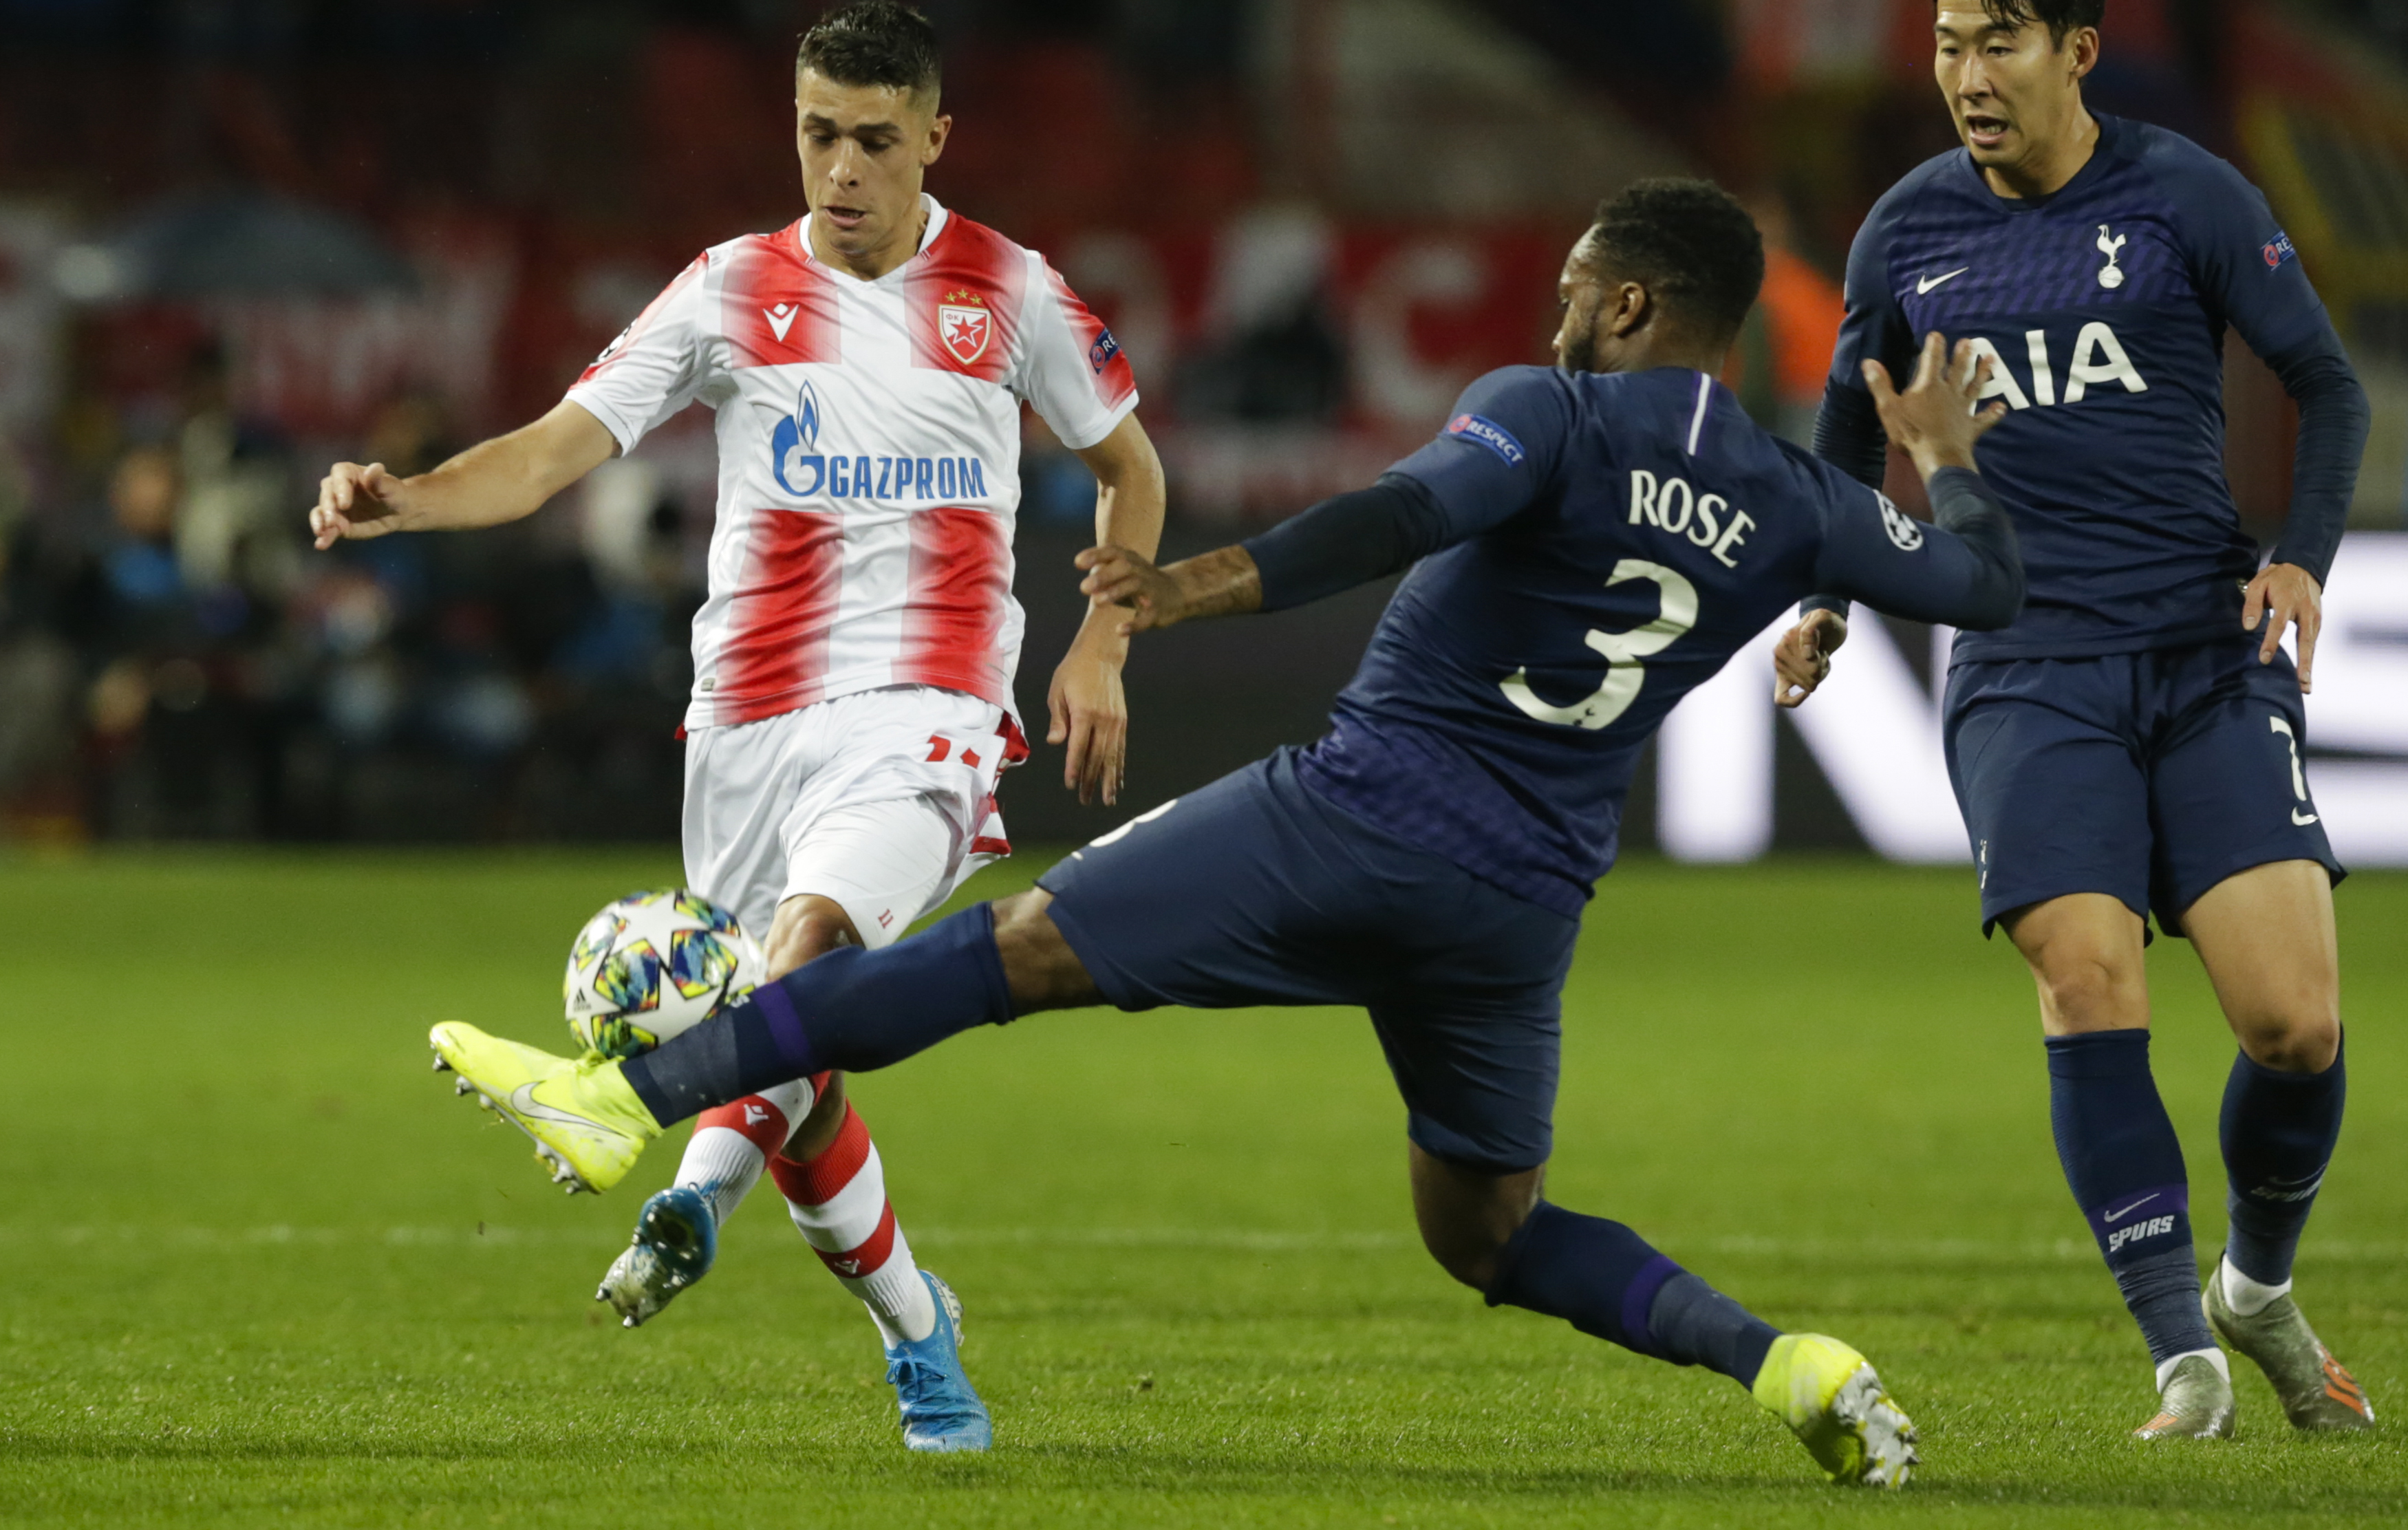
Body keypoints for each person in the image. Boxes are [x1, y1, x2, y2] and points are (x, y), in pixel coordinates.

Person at [427, 179, 2024, 1487]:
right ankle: (1781, 1362)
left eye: (1570, 291)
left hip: (1359, 810)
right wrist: (1945, 464)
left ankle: (621, 1092)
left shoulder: (1550, 411)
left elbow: (1400, 516)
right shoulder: (1795, 503)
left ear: (1627, 307)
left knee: (1009, 947)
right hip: (1520, 902)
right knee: (1489, 1230)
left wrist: (1193, 586)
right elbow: (1981, 584)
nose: (1551, 319)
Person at [312, 0, 1165, 1453]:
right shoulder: (724, 290)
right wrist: (408, 495)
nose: (839, 167)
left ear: (934, 142)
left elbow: (1130, 473)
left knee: (809, 957)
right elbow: (549, 455)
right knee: (786, 1038)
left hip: (928, 711)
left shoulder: (1009, 293)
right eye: (816, 131)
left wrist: (1100, 641)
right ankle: (917, 1329)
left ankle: (655, 1149)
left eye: (873, 141)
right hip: (747, 727)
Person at [1772, 0, 2372, 1442]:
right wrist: (1831, 595)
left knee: (2293, 1028)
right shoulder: (1905, 228)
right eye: (1947, 43)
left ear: (2077, 50)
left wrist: (2299, 548)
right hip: (2023, 669)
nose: (1966, 72)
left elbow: (2323, 379)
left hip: (2200, 652)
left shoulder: (2184, 196)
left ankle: (2254, 1281)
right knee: (2083, 973)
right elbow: (1850, 424)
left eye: (1999, 42)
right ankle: (2183, 1353)